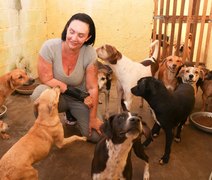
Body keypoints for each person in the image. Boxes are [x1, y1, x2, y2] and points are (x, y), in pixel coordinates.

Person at [31, 13, 103, 143]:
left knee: (96, 136)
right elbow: (46, 79)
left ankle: (72, 113)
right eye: (72, 31)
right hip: (60, 97)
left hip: (81, 101)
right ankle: (44, 128)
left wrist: (93, 118)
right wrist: (79, 95)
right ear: (67, 28)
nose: (74, 38)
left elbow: (92, 87)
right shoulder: (49, 47)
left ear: (88, 37)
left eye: (81, 35)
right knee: (39, 93)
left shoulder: (90, 53)